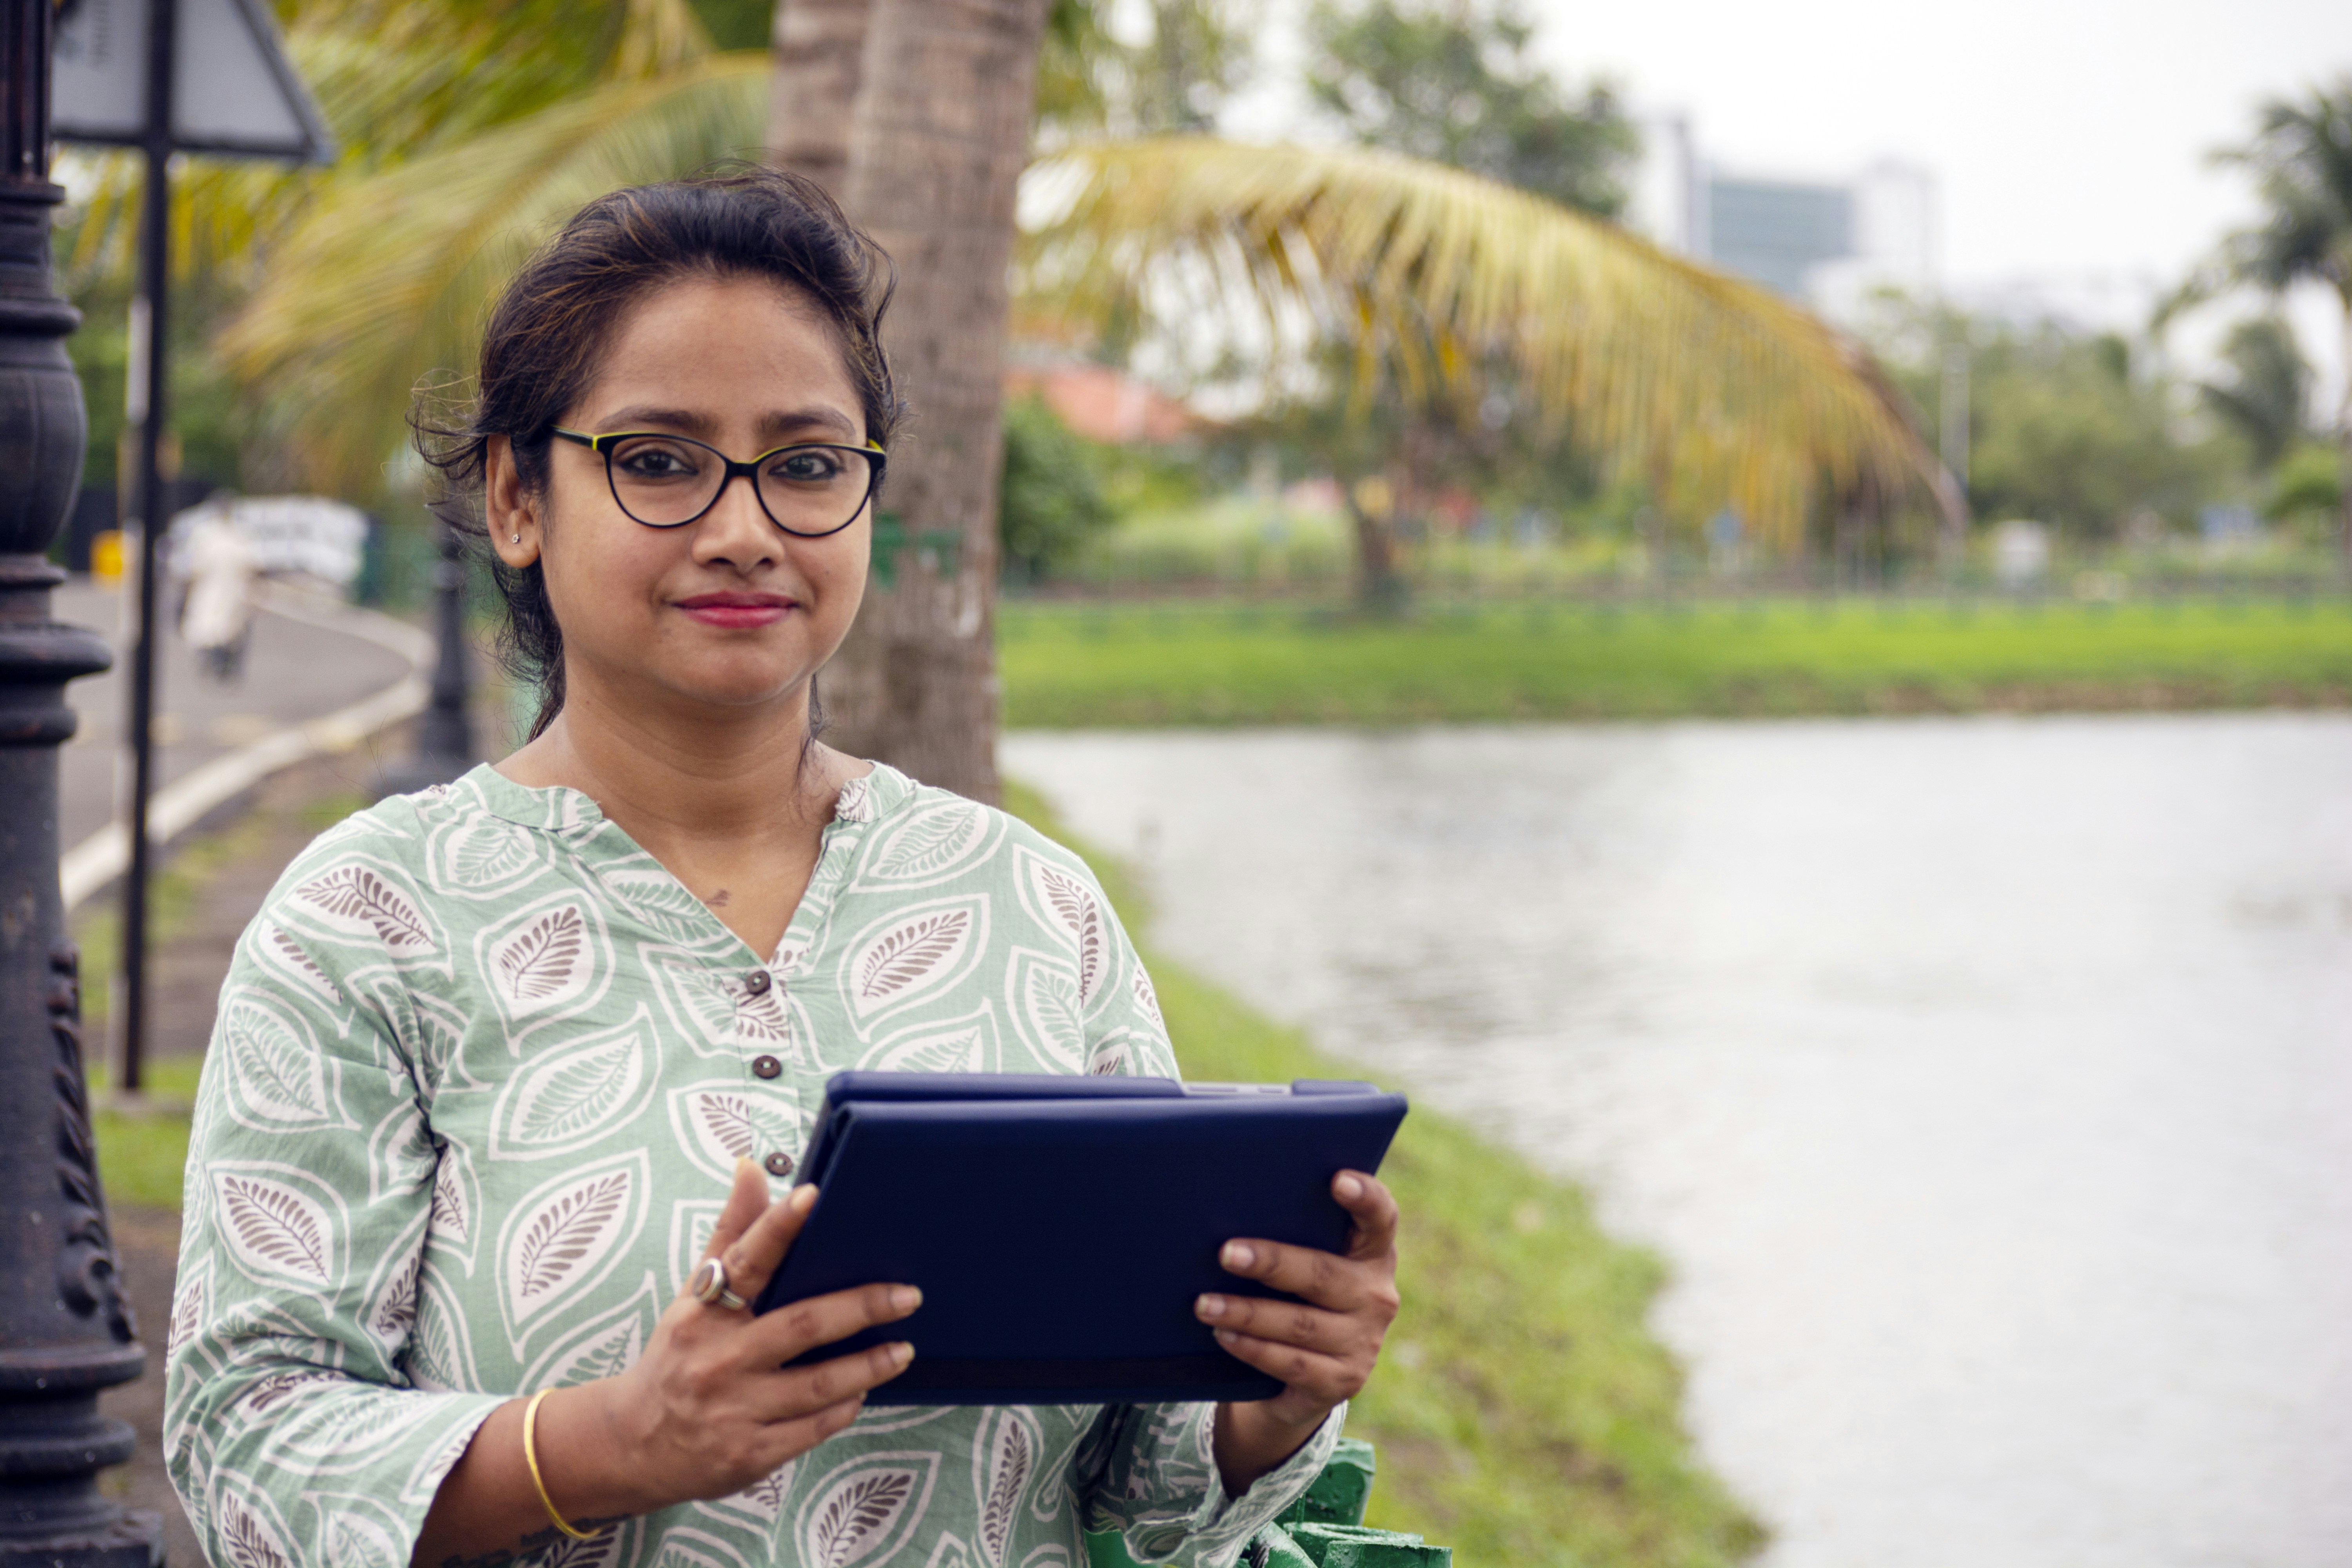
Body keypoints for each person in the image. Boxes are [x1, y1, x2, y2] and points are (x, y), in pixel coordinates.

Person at [163, 167, 1401, 1568]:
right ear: (518, 496)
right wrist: (612, 1443)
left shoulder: (1030, 908)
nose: (744, 526)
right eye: (660, 458)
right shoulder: (370, 921)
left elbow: (1139, 1486)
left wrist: (1273, 1394)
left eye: (807, 464)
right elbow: (244, 1439)